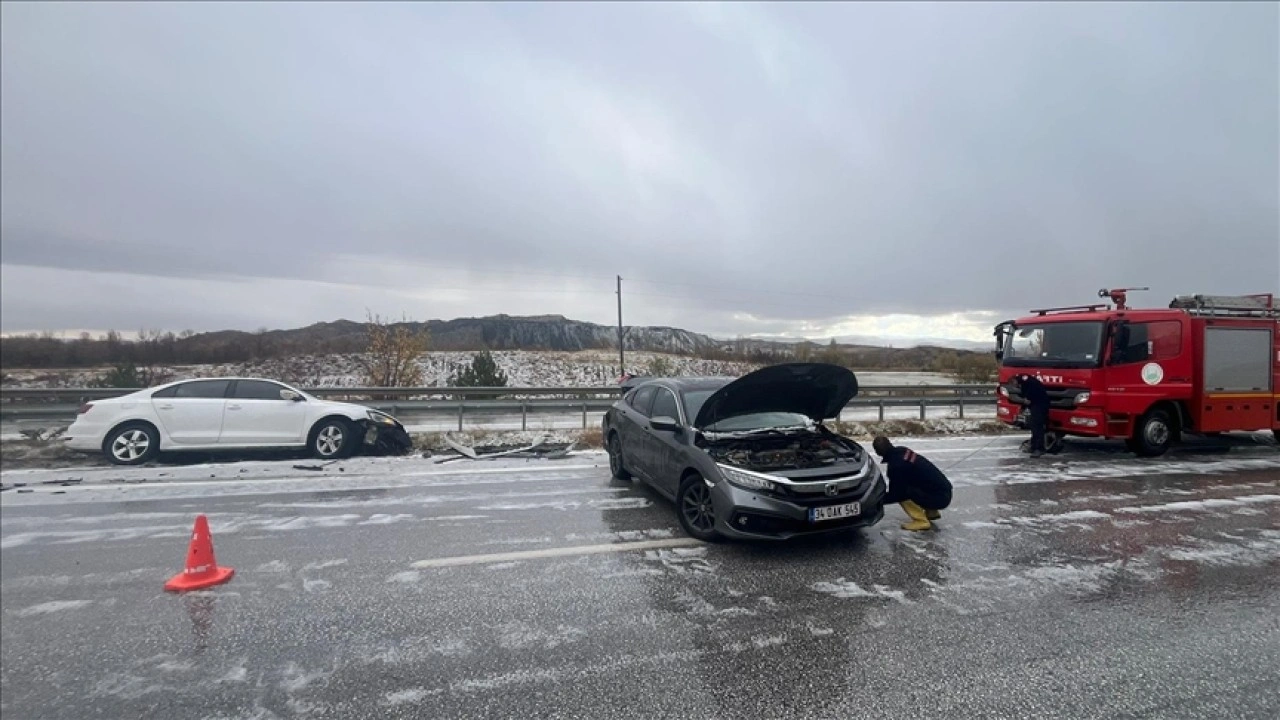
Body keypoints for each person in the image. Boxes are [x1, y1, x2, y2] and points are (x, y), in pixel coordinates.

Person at [872, 436, 953, 531]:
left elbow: (896, 494)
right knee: (915, 483)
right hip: (945, 491)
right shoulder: (902, 450)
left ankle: (921, 521)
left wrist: (875, 501)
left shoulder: (896, 466)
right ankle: (932, 512)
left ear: (877, 452)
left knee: (903, 494)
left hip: (940, 499)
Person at [1014, 374, 1050, 457]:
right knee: (1034, 426)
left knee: (1038, 427)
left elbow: (1029, 396)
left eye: (1014, 383)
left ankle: (1039, 448)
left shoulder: (1028, 381)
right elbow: (1026, 398)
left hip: (1040, 405)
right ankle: (1034, 446)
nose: (1015, 386)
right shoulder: (1024, 384)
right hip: (1035, 405)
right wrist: (1023, 408)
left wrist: (1027, 400)